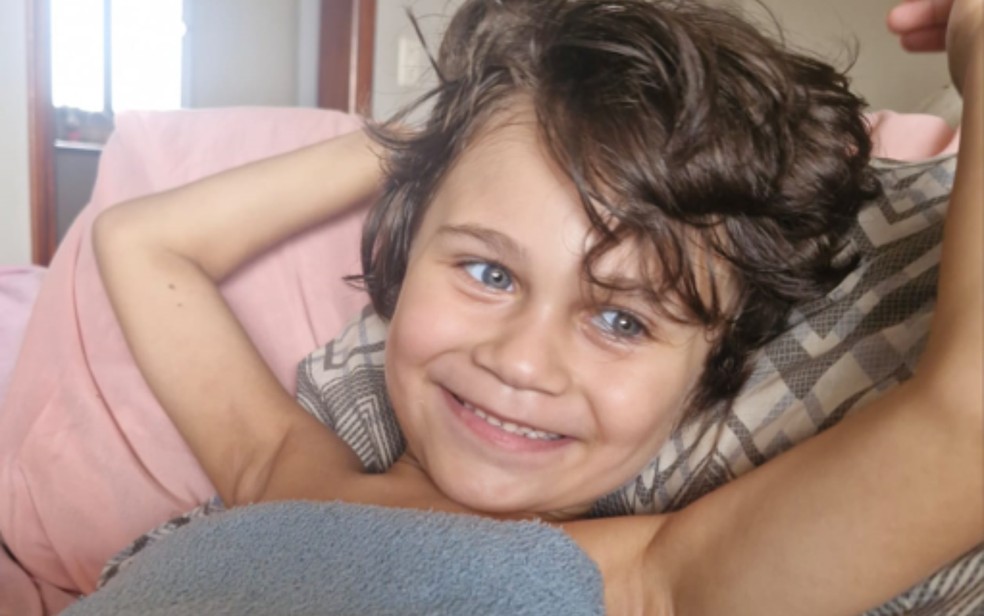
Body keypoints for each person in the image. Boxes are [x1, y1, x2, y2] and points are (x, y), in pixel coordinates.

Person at [92, 0, 981, 613]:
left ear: (708, 376)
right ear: (403, 258)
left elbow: (964, 424)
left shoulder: (654, 582)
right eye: (488, 272)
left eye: (622, 320)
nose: (520, 361)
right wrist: (449, 133)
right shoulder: (288, 478)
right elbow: (138, 240)